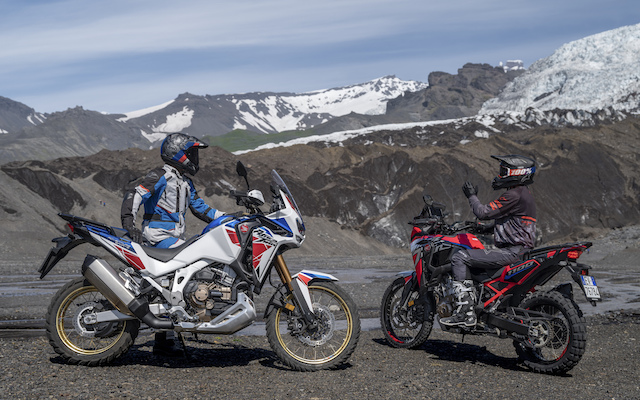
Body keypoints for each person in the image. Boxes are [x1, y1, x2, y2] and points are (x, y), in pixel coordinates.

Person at [121, 132, 226, 356]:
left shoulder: (185, 182)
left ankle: (165, 338)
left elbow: (201, 208)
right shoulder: (160, 176)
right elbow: (136, 193)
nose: (195, 158)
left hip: (173, 238)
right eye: (191, 153)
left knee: (169, 287)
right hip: (157, 236)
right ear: (177, 153)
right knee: (192, 268)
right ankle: (170, 334)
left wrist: (230, 217)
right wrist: (129, 223)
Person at [440, 155, 537, 328]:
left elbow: (483, 212)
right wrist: (482, 229)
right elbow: (513, 224)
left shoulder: (514, 194)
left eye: (503, 171)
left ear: (516, 173)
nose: (500, 175)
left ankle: (466, 313)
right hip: (521, 251)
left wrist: (471, 196)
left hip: (512, 252)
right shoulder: (524, 194)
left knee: (460, 258)